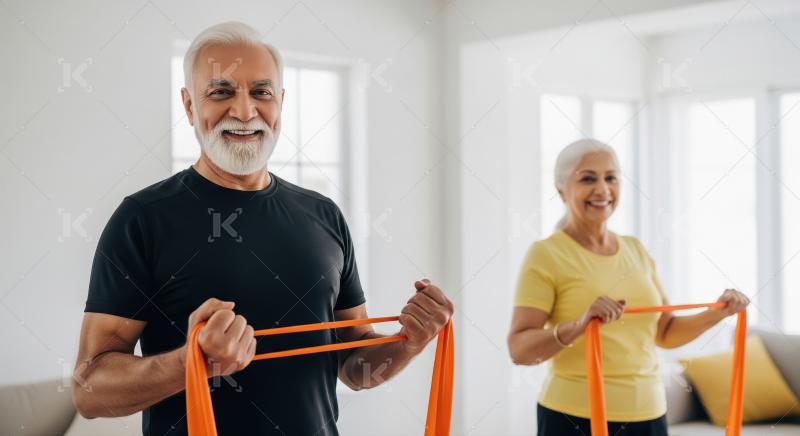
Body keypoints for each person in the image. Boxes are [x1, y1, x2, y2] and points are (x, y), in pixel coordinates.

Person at [71, 21, 454, 436]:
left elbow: (356, 368)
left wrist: (408, 343)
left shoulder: (324, 215)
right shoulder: (141, 219)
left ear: (280, 102)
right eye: (221, 92)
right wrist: (190, 362)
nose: (244, 111)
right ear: (188, 106)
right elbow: (89, 392)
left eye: (261, 92)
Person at [507, 139, 749, 436]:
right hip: (574, 417)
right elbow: (519, 350)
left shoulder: (635, 249)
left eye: (611, 177)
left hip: (650, 414)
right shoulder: (546, 254)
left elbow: (665, 333)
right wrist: (580, 325)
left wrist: (718, 313)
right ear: (561, 190)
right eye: (587, 178)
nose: (602, 189)